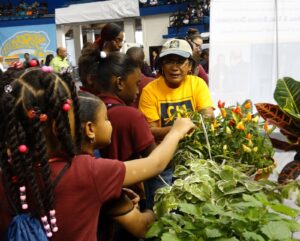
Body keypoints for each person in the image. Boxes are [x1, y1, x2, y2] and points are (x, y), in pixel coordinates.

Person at [0, 67, 195, 241]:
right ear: (58, 126)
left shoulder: (7, 174)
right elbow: (156, 164)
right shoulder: (89, 171)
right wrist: (177, 130)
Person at [139, 38, 214, 207]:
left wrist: (175, 130)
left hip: (194, 159)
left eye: (180, 61)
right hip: (163, 161)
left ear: (189, 65)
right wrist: (179, 130)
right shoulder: (150, 91)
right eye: (169, 61)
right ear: (161, 65)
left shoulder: (197, 84)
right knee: (163, 211)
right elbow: (151, 131)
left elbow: (207, 117)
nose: (175, 67)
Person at [78, 91, 155, 240]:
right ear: (90, 129)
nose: (110, 123)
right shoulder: (96, 172)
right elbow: (142, 227)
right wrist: (155, 212)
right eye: (106, 119)